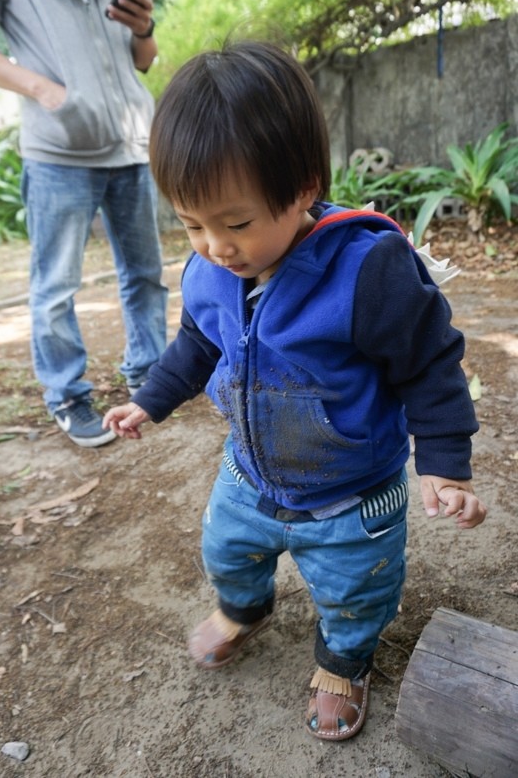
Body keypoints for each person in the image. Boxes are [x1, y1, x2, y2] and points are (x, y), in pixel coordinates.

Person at [103, 40, 487, 740]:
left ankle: (344, 660)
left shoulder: (369, 272)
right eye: (192, 224)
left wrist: (445, 463)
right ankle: (245, 608)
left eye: (236, 222)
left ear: (304, 184)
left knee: (355, 588)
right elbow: (197, 343)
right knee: (225, 550)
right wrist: (149, 400)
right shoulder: (211, 271)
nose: (216, 245)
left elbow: (430, 362)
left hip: (351, 494)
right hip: (248, 475)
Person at [0, 0, 168, 447]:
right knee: (56, 285)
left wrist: (144, 30)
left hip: (130, 143)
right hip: (58, 151)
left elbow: (143, 59)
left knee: (146, 277)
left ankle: (149, 378)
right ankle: (68, 395)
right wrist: (44, 91)